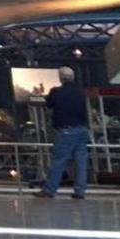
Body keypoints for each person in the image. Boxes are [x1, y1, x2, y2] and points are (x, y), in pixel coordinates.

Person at [35, 66, 89, 200]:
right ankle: (80, 191)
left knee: (59, 161)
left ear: (60, 78)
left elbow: (48, 104)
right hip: (82, 130)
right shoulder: (80, 92)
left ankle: (49, 190)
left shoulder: (56, 92)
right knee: (81, 162)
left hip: (65, 131)